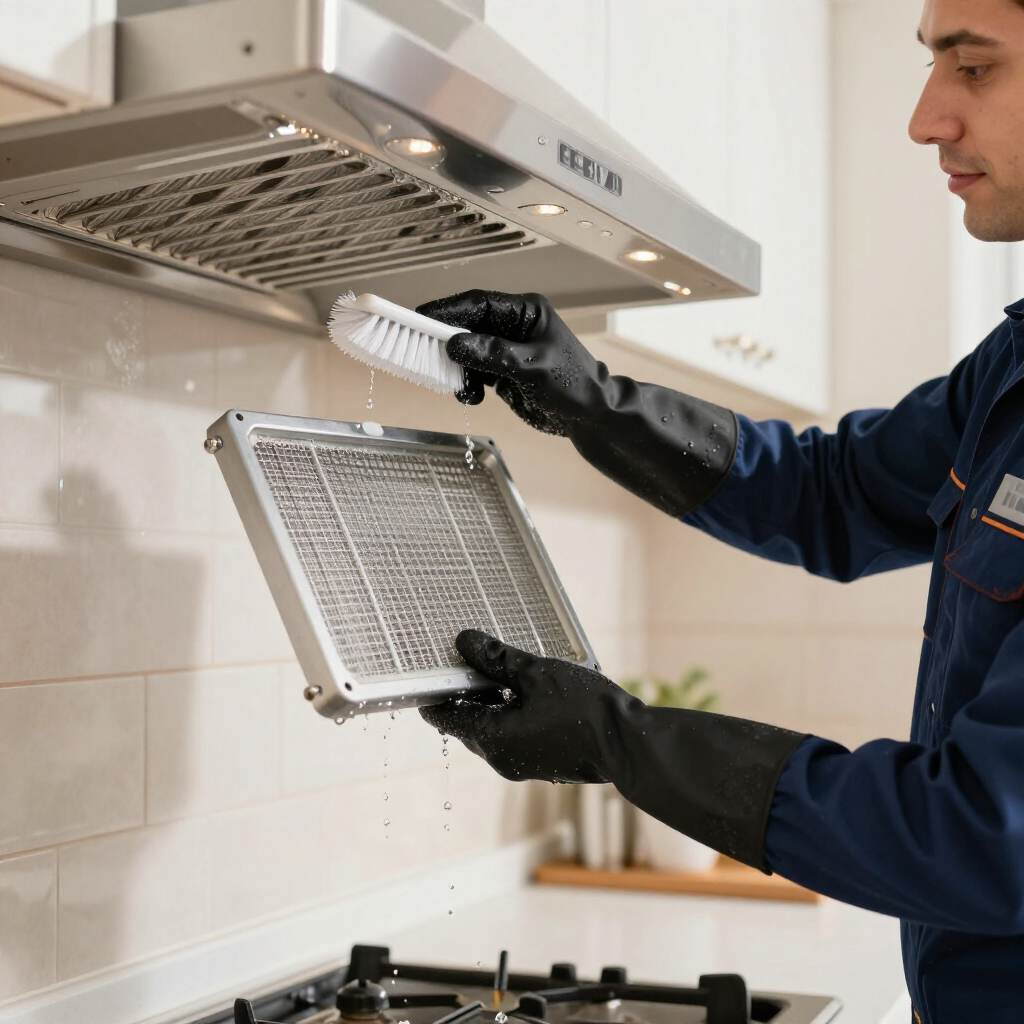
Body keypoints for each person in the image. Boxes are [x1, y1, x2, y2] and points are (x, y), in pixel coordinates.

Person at [415, 0, 1024, 1020]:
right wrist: (593, 401)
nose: (924, 119)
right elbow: (835, 492)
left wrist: (623, 741)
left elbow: (984, 834)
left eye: (972, 70)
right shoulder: (1015, 368)